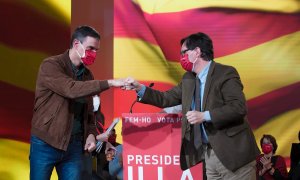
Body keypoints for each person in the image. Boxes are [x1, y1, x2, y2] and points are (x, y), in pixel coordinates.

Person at [124, 32, 260, 179]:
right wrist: (140, 88)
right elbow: (166, 98)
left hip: (234, 154)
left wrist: (204, 116)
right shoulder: (188, 78)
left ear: (197, 52)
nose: (181, 57)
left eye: (184, 52)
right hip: (208, 156)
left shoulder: (225, 73)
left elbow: (238, 107)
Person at [29, 25, 125, 180]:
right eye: (90, 48)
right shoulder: (51, 65)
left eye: (96, 50)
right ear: (76, 44)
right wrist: (111, 83)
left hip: (74, 147)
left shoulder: (88, 75)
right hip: (45, 143)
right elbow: (71, 89)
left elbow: (89, 114)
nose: (93, 54)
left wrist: (91, 135)